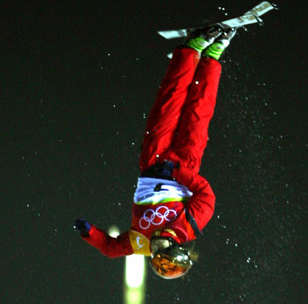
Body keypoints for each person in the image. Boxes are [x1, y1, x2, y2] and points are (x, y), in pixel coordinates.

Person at [75, 25, 237, 279]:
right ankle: (212, 56)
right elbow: (206, 195)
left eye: (154, 254)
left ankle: (191, 48)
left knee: (169, 102)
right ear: (174, 245)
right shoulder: (189, 226)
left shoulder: (140, 242)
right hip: (184, 164)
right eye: (161, 249)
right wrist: (178, 172)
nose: (154, 248)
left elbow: (109, 249)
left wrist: (89, 233)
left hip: (153, 161)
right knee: (198, 111)